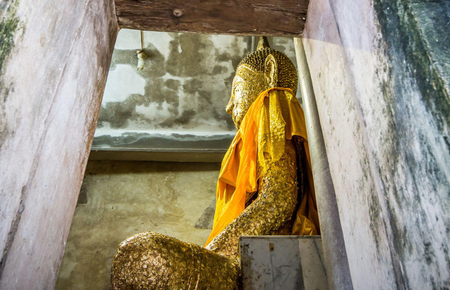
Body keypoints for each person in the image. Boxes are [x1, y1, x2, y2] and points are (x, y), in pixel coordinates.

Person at [110, 38, 319, 290]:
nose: (229, 105)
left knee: (142, 254)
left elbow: (278, 200)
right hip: (253, 255)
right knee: (137, 256)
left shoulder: (271, 106)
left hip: (262, 256)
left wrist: (214, 251)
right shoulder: (262, 128)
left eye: (236, 90)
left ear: (270, 74)